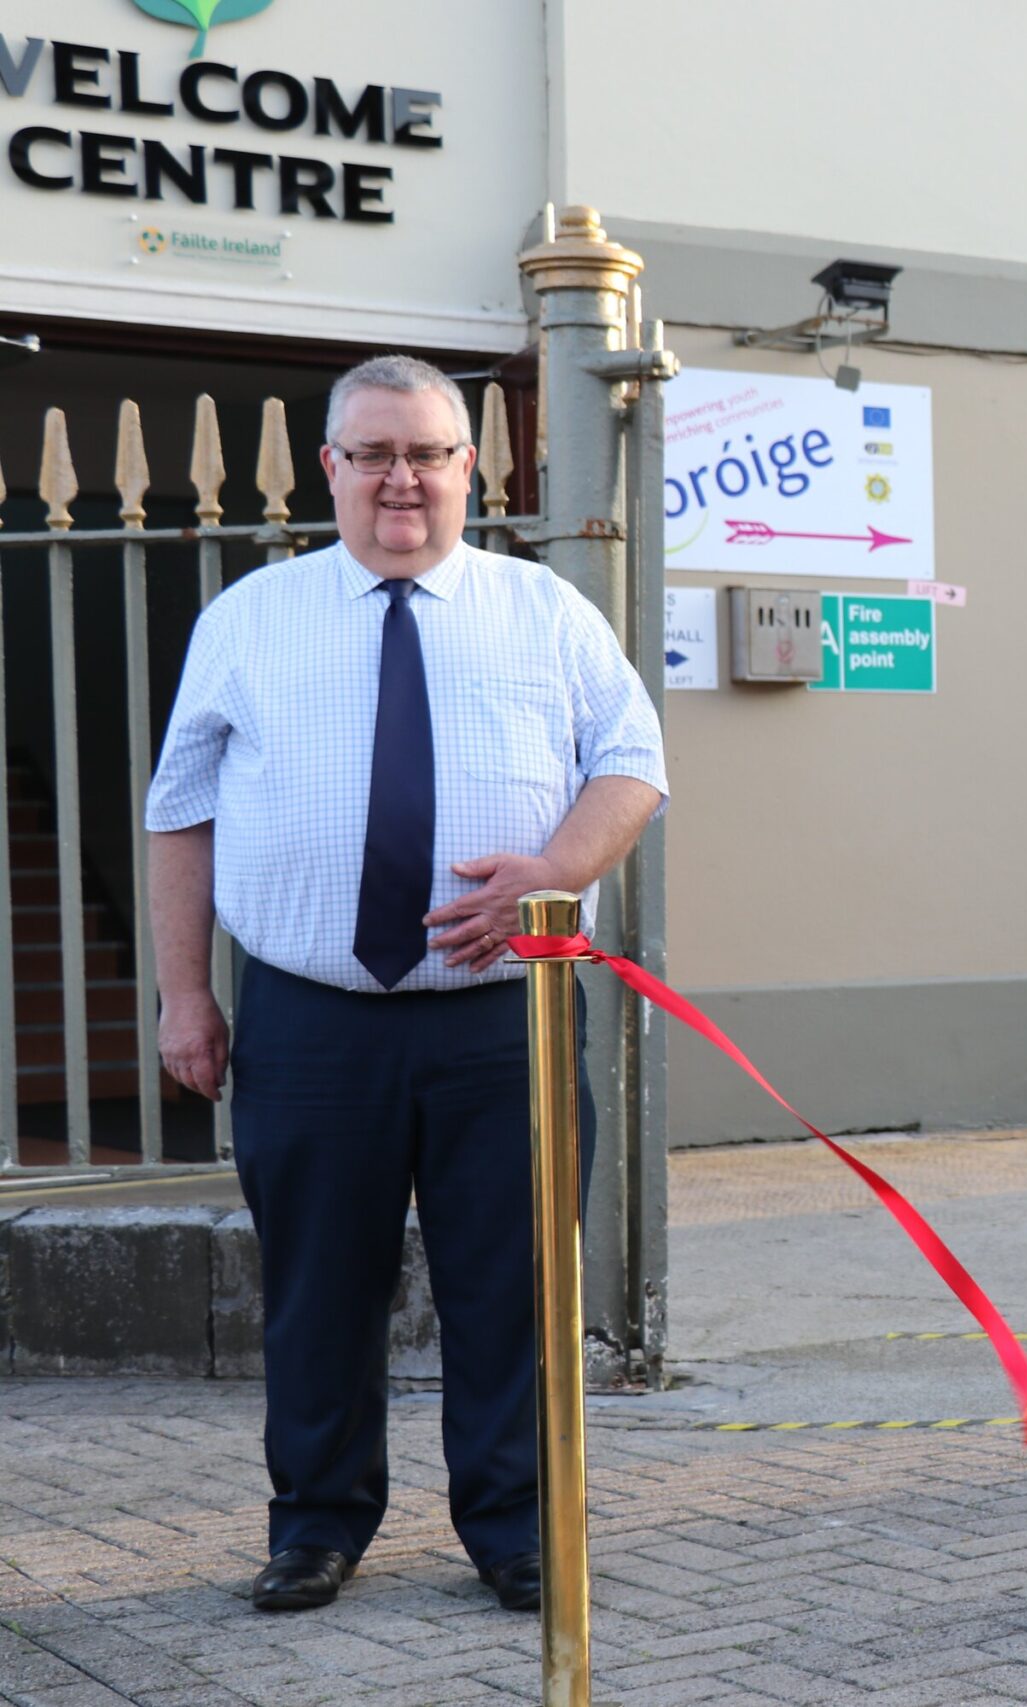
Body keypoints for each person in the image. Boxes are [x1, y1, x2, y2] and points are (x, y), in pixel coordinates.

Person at [146, 354, 668, 1615]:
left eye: (427, 453)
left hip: (510, 1021)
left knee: (516, 1285)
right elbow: (181, 814)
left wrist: (552, 868)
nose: (401, 479)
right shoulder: (249, 619)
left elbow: (634, 765)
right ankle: (317, 1525)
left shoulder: (544, 610)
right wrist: (185, 996)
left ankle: (518, 1527)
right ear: (330, 466)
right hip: (311, 1020)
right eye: (373, 453)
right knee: (321, 1288)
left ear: (467, 467)